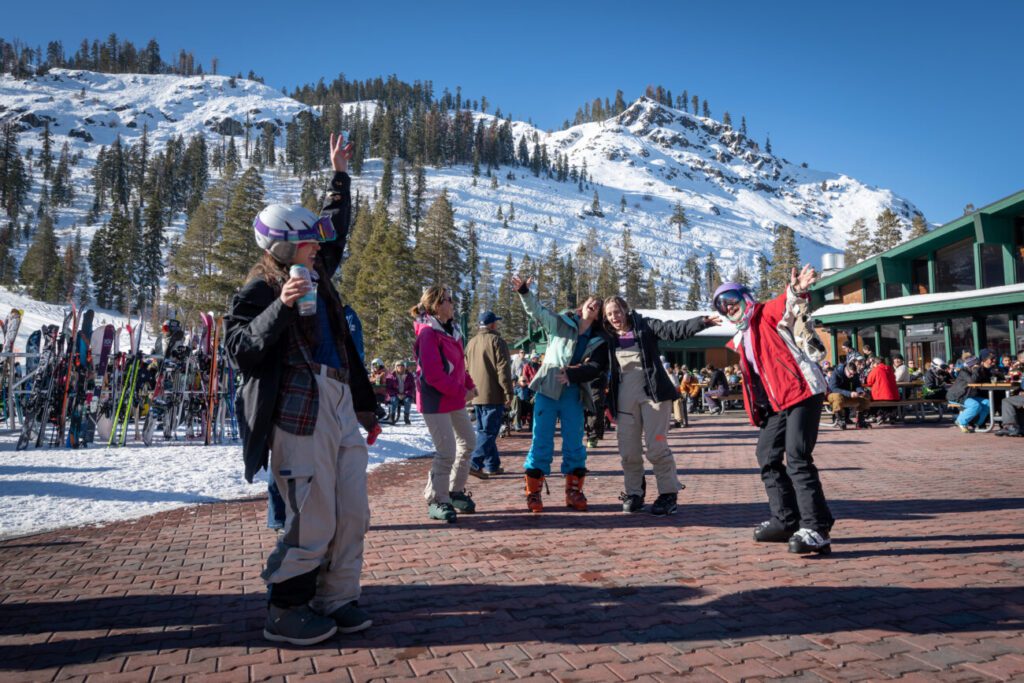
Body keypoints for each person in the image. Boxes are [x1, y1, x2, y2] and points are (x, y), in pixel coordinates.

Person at [225, 133, 375, 646]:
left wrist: (339, 175)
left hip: (339, 402)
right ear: (286, 247)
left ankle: (336, 598)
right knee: (312, 515)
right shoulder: (260, 288)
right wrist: (282, 305)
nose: (319, 246)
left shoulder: (319, 269)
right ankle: (286, 608)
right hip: (298, 411)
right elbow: (240, 348)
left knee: (352, 511)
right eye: (309, 241)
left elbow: (336, 226)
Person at [714, 266, 834, 555]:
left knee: (797, 457)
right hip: (777, 402)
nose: (728, 307)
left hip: (802, 391)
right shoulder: (742, 336)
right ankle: (785, 521)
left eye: (731, 299)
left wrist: (797, 289)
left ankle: (816, 528)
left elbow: (787, 303)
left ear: (745, 297)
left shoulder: (764, 314)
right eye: (721, 305)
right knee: (766, 456)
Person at [603, 297, 720, 515]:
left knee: (656, 446)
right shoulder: (607, 335)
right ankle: (634, 493)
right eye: (609, 314)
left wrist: (701, 322)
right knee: (628, 450)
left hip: (654, 394)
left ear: (626, 310)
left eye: (617, 312)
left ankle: (668, 494)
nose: (614, 317)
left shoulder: (645, 325)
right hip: (625, 398)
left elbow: (672, 330)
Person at [513, 275, 608, 513]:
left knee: (575, 443)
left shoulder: (598, 339)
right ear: (583, 305)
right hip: (548, 388)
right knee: (541, 440)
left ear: (598, 315)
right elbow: (537, 311)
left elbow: (596, 367)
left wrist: (574, 373)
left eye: (598, 305)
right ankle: (533, 493)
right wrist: (525, 293)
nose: (594, 305)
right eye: (591, 301)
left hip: (573, 393)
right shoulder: (561, 323)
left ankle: (573, 492)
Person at [411, 286, 478, 522]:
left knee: (468, 442)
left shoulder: (452, 330)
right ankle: (437, 500)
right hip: (435, 400)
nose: (453, 304)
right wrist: (461, 392)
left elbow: (459, 366)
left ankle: (453, 491)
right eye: (449, 300)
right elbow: (433, 375)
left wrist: (469, 385)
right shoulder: (428, 334)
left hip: (453, 397)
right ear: (437, 305)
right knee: (446, 451)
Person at [466, 311, 514, 478]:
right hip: (492, 393)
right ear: (492, 324)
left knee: (484, 431)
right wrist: (508, 392)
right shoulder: (497, 341)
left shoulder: (471, 343)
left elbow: (465, 369)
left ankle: (492, 465)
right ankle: (474, 463)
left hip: (476, 394)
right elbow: (503, 369)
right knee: (489, 432)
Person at [948, 350, 996, 433]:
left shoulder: (976, 371)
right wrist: (976, 370)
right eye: (977, 364)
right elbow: (972, 381)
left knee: (988, 403)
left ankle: (978, 423)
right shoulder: (964, 372)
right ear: (972, 365)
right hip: (957, 396)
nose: (979, 366)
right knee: (975, 405)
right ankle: (961, 421)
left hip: (967, 395)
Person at [827, 362, 871, 429]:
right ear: (846, 369)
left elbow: (858, 385)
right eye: (850, 374)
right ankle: (839, 420)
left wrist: (860, 392)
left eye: (853, 374)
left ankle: (860, 421)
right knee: (838, 396)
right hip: (833, 395)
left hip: (848, 395)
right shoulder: (836, 373)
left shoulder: (854, 374)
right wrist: (849, 393)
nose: (852, 376)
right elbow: (833, 388)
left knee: (865, 398)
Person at [864, 356, 899, 423]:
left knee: (871, 399)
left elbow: (869, 382)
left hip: (880, 397)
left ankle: (879, 416)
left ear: (875, 363)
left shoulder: (876, 369)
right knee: (888, 400)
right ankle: (891, 416)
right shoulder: (890, 369)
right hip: (894, 396)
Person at [385, 360, 414, 425]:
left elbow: (412, 387)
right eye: (398, 365)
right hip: (395, 394)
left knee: (407, 401)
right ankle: (392, 417)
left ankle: (406, 418)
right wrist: (397, 394)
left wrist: (405, 394)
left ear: (404, 367)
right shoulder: (391, 375)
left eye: (402, 365)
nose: (400, 367)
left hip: (406, 394)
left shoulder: (409, 375)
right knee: (394, 400)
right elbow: (388, 388)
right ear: (396, 367)